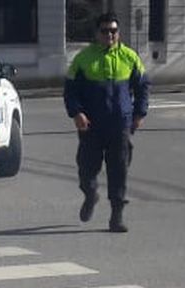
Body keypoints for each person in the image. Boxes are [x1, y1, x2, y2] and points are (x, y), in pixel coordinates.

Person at [63, 13, 150, 233]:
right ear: (96, 34)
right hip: (91, 125)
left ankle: (116, 217)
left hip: (120, 124)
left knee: (118, 170)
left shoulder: (130, 57)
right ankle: (90, 194)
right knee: (86, 168)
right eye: (105, 31)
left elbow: (143, 87)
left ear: (118, 33)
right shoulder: (83, 58)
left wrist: (139, 114)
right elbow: (70, 91)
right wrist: (77, 113)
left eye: (113, 31)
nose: (110, 35)